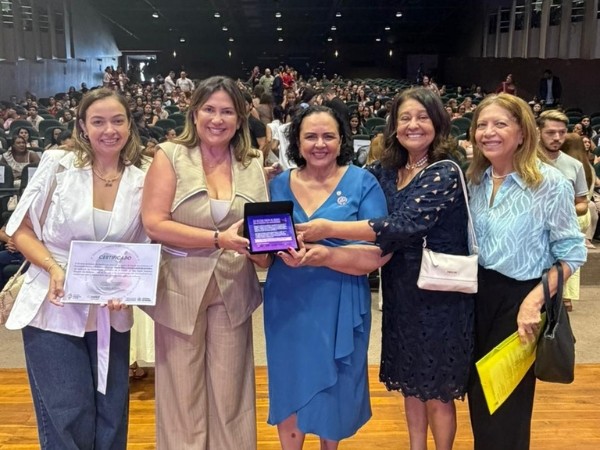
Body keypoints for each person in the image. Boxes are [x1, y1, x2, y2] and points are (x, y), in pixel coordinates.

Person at [296, 88, 475, 450]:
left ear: (438, 123)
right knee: (411, 384)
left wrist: (328, 228)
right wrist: (296, 175)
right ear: (393, 125)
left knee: (437, 391)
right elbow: (346, 182)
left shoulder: (445, 172)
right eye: (405, 118)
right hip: (400, 292)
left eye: (422, 117)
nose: (413, 125)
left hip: (439, 297)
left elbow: (402, 225)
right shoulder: (385, 171)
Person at [4, 88, 147, 449]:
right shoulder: (58, 165)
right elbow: (19, 230)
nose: (109, 130)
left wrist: (129, 285)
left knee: (111, 416)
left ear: (129, 125)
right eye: (98, 121)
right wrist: (54, 268)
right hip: (53, 305)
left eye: (117, 120)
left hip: (110, 311)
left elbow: (143, 246)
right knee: (68, 413)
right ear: (82, 126)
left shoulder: (142, 178)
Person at [141, 75, 270, 450]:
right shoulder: (169, 155)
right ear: (194, 113)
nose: (217, 119)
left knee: (232, 393)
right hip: (180, 287)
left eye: (227, 111)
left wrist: (267, 251)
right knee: (182, 394)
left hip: (234, 287)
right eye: (210, 109)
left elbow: (261, 227)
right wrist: (216, 239)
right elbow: (154, 223)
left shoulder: (251, 161)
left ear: (240, 118)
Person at [263, 105, 389, 449]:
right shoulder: (278, 184)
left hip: (341, 300)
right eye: (311, 136)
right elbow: (265, 248)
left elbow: (380, 251)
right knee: (290, 381)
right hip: (288, 301)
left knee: (336, 391)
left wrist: (328, 255)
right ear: (297, 142)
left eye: (328, 136)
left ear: (342, 140)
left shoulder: (363, 182)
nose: (320, 144)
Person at [466, 93, 586, 450]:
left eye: (500, 124)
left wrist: (533, 303)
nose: (488, 132)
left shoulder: (550, 184)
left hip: (519, 301)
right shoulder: (476, 179)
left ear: (522, 133)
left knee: (507, 406)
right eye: (482, 125)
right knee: (479, 398)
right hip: (475, 297)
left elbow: (572, 253)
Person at [537, 110, 589, 311]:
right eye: (550, 132)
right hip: (531, 239)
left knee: (552, 303)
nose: (557, 137)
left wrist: (564, 211)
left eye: (561, 132)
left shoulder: (574, 165)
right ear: (539, 132)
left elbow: (582, 203)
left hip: (559, 237)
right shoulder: (523, 161)